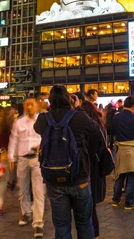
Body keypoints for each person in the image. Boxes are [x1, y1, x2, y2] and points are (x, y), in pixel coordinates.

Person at [34, 85, 104, 238]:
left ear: (50, 100)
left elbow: (37, 129)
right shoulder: (79, 116)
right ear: (68, 98)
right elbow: (97, 135)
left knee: (61, 226)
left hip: (54, 178)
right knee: (85, 223)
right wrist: (87, 154)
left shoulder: (42, 119)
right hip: (80, 177)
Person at [8, 98, 45, 237]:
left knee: (38, 191)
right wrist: (11, 157)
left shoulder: (41, 121)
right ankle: (26, 213)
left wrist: (42, 146)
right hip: (22, 158)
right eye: (27, 104)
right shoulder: (18, 122)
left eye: (31, 104)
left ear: (36, 106)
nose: (29, 107)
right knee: (23, 189)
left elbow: (46, 136)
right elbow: (13, 139)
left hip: (37, 159)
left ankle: (38, 224)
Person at [111, 96, 134, 210]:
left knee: (120, 175)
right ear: (133, 106)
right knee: (132, 176)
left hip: (121, 149)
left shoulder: (116, 118)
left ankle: (115, 200)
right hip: (133, 150)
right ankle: (129, 202)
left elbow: (111, 132)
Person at [82, 101, 108, 239]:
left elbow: (90, 151)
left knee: (89, 207)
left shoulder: (90, 129)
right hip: (98, 169)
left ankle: (93, 233)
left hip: (90, 169)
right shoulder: (100, 126)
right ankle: (95, 234)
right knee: (91, 207)